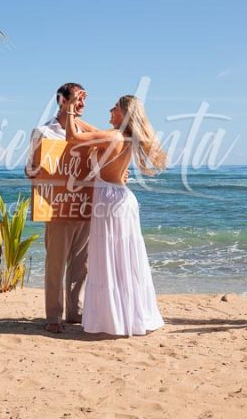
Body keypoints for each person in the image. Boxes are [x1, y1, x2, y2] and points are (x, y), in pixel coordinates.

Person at [64, 91, 167, 336]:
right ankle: (129, 316)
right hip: (121, 199)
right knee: (124, 259)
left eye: (114, 107)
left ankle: (112, 318)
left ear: (123, 113)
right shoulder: (125, 137)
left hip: (110, 201)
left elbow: (72, 138)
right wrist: (77, 116)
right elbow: (91, 130)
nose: (110, 110)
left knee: (110, 257)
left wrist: (69, 108)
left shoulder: (113, 136)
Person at [26, 83, 98, 334]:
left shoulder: (86, 132)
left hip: (84, 205)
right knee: (56, 263)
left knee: (82, 263)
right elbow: (29, 171)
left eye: (83, 100)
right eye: (78, 99)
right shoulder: (44, 132)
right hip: (56, 207)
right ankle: (53, 315)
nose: (82, 104)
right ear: (61, 99)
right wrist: (44, 170)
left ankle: (74, 311)